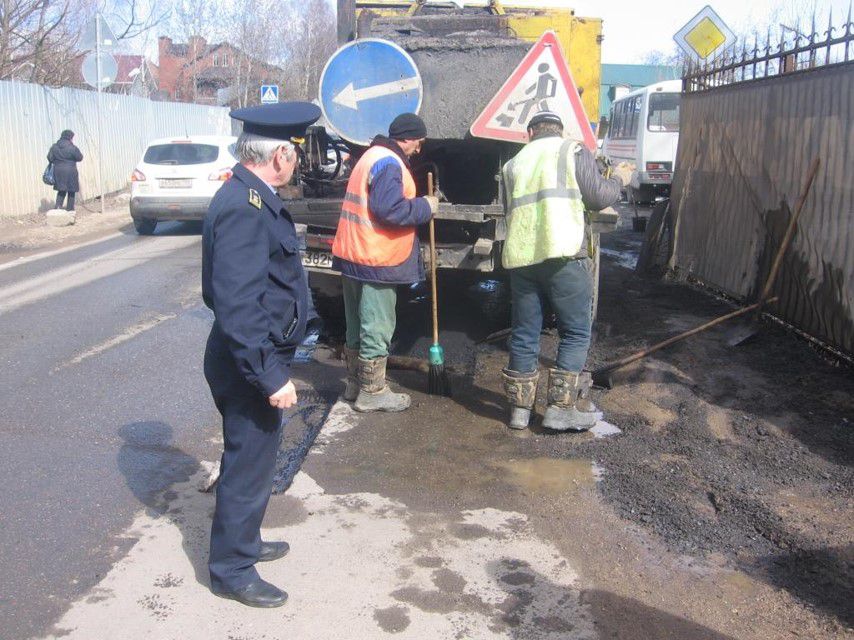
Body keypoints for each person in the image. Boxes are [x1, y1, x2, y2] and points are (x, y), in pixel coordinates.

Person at [201, 101, 320, 608]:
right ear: (279, 158)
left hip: (253, 353)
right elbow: (238, 304)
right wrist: (270, 376)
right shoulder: (244, 207)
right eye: (294, 153)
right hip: (248, 359)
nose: (297, 162)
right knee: (248, 463)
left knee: (254, 458)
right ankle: (231, 569)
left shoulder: (252, 196)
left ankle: (244, 541)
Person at [500, 111, 635, 432]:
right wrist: (619, 179)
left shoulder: (513, 164)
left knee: (524, 333)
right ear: (560, 131)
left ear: (529, 133)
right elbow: (599, 197)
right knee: (574, 331)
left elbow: (509, 211)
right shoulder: (571, 151)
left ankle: (519, 412)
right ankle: (561, 409)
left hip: (522, 258)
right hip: (564, 254)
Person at [331, 113, 438, 413]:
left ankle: (355, 385)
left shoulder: (370, 157)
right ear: (407, 138)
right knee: (376, 325)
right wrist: (424, 206)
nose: (419, 148)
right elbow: (388, 209)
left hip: (354, 254)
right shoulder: (390, 163)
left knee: (355, 323)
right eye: (419, 141)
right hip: (376, 257)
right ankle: (373, 392)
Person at [47, 130, 83, 211]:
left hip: (58, 171)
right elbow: (80, 158)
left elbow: (49, 158)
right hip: (71, 171)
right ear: (70, 137)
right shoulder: (72, 148)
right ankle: (70, 210)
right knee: (71, 190)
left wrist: (58, 162)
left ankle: (58, 208)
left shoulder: (54, 147)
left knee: (61, 190)